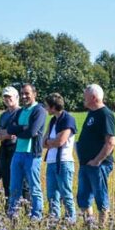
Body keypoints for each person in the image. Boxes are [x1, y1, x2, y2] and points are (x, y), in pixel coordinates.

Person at [2, 83, 47, 220]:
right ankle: (12, 216)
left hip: (32, 155)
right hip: (18, 153)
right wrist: (24, 128)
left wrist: (19, 129)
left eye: (27, 93)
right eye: (22, 93)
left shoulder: (39, 110)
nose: (24, 96)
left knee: (34, 188)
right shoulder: (20, 111)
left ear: (34, 94)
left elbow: (32, 132)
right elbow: (10, 128)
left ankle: (36, 217)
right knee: (13, 188)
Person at [76, 84, 115, 226]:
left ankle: (102, 229)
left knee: (101, 198)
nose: (83, 99)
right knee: (83, 198)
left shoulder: (105, 114)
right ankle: (89, 227)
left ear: (93, 98)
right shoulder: (91, 113)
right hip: (86, 164)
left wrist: (97, 160)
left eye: (85, 96)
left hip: (99, 165)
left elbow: (110, 142)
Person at [43, 93, 77, 222]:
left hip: (63, 161)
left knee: (66, 194)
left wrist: (50, 142)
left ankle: (71, 221)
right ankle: (54, 221)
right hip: (51, 162)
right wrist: (51, 141)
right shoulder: (53, 121)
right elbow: (43, 142)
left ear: (53, 107)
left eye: (47, 106)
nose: (45, 108)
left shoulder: (68, 119)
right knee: (52, 195)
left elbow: (60, 141)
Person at [0, 86, 20, 208]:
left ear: (16, 97)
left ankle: (22, 208)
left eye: (9, 96)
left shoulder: (21, 113)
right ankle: (8, 208)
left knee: (19, 181)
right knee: (6, 180)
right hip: (4, 149)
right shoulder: (3, 115)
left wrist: (6, 134)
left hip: (16, 149)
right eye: (5, 97)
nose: (7, 99)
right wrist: (0, 133)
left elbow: (18, 133)